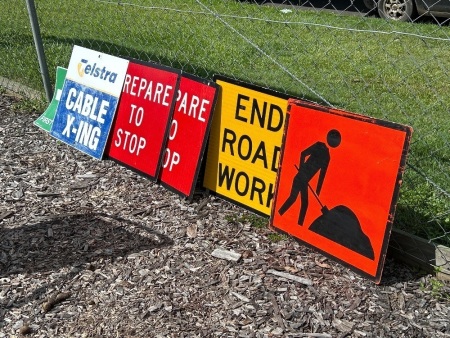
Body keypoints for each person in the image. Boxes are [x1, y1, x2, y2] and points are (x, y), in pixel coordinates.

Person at [278, 129, 341, 225]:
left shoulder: (327, 156)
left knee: (302, 203)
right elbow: (303, 153)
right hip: (300, 178)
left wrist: (318, 190)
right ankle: (282, 216)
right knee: (294, 199)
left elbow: (322, 175)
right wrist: (302, 170)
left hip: (304, 181)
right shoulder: (319, 146)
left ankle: (295, 222)